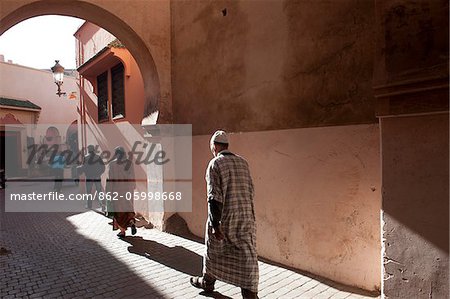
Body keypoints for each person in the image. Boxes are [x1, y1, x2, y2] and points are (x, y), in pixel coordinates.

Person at [190, 130, 259, 299]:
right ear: (227, 146)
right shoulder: (243, 162)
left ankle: (211, 283)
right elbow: (251, 190)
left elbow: (214, 197)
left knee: (213, 250)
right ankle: (246, 291)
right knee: (245, 255)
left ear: (214, 147)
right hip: (245, 218)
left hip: (225, 219)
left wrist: (215, 224)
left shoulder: (215, 164)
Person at [106, 146, 137, 238]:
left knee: (119, 212)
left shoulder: (112, 164)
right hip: (128, 189)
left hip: (117, 190)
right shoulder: (129, 163)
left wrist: (109, 191)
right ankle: (131, 222)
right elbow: (133, 176)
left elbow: (110, 179)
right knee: (129, 207)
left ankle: (122, 231)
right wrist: (133, 186)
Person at [79, 145, 105, 209]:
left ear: (88, 150)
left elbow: (84, 167)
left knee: (88, 191)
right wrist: (99, 173)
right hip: (97, 176)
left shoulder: (86, 157)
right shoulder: (98, 157)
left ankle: (89, 205)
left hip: (89, 176)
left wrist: (84, 172)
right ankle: (102, 205)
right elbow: (103, 167)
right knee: (99, 191)